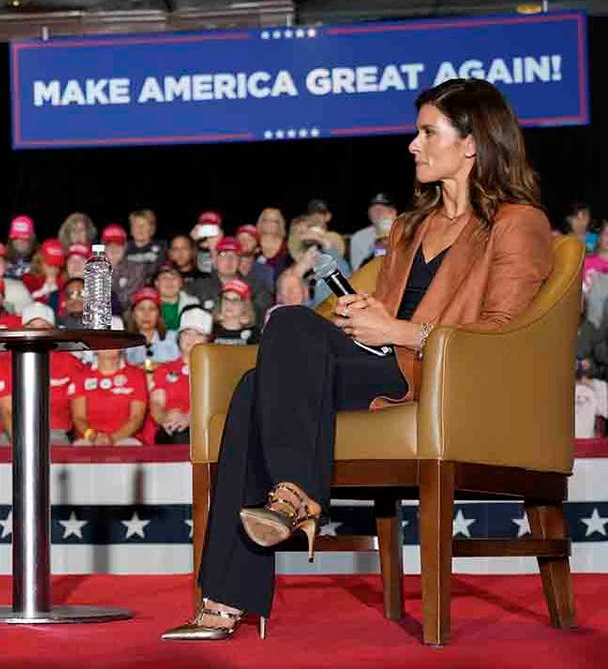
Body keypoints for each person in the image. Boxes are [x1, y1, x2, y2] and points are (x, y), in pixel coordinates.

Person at [163, 78, 554, 641]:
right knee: (271, 358)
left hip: (450, 382)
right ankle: (285, 510)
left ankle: (241, 576)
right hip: (382, 363)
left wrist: (397, 328)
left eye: (427, 132)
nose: (412, 145)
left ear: (472, 143)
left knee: (265, 371)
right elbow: (385, 319)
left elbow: (501, 333)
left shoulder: (517, 223)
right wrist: (370, 315)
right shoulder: (410, 226)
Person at [0, 303, 84, 445]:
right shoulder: (5, 363)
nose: (38, 334)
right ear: (22, 331)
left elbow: (80, 410)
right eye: (31, 328)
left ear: (53, 331)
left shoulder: (70, 362)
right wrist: (23, 445)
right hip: (11, 435)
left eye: (44, 328)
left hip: (55, 433)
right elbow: (6, 411)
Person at [71, 318, 149, 447]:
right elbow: (79, 418)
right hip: (90, 439)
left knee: (131, 448)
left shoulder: (136, 375)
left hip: (126, 439)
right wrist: (92, 436)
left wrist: (113, 438)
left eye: (114, 338)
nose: (108, 343)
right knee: (80, 449)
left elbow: (136, 418)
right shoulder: (81, 375)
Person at [149, 307, 212, 445]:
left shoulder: (213, 371)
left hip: (202, 429)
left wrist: (189, 418)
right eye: (186, 333)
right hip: (169, 427)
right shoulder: (165, 369)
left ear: (207, 339)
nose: (191, 338)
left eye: (198, 334)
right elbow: (156, 404)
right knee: (174, 433)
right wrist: (166, 418)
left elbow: (215, 406)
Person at [186, 236, 274, 322]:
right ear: (215, 259)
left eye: (234, 255)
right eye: (223, 254)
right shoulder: (198, 287)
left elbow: (262, 316)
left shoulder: (255, 288)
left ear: (240, 260)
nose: (229, 260)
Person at [124, 286, 180, 370]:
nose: (146, 314)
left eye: (152, 309)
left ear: (158, 314)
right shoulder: (124, 343)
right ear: (133, 314)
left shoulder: (174, 338)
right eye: (141, 308)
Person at [350, 192, 398, 270]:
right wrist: (378, 246)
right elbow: (357, 270)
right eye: (374, 209)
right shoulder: (359, 237)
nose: (378, 212)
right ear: (368, 213)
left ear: (393, 212)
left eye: (383, 209)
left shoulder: (405, 231)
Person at [211, 279, 260, 345]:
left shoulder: (254, 333)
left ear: (245, 305)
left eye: (235, 300)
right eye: (226, 298)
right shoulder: (210, 330)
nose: (229, 303)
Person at [154, 262, 201, 331]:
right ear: (156, 283)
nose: (169, 281)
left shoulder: (193, 304)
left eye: (174, 277)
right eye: (164, 278)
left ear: (181, 282)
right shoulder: (146, 305)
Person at [23, 238, 67, 308]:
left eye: (57, 265)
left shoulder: (64, 282)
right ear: (40, 262)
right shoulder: (28, 280)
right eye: (49, 264)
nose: (53, 268)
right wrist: (46, 288)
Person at [125, 208, 166, 280]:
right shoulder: (122, 249)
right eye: (136, 225)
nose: (140, 228)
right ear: (131, 230)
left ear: (152, 229)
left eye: (144, 225)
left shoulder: (162, 247)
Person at [254, 207, 292, 276]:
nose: (270, 224)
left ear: (280, 224)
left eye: (274, 221)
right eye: (266, 220)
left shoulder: (288, 247)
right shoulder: (253, 244)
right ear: (261, 223)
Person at [6, 214, 37, 279]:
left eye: (24, 238)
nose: (20, 241)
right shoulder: (3, 257)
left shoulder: (42, 260)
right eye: (16, 237)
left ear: (32, 238)